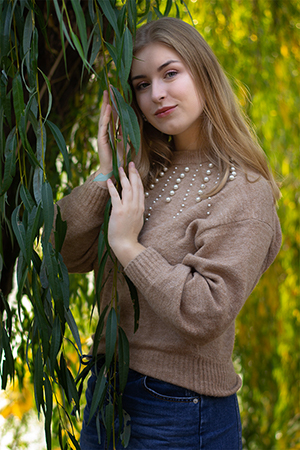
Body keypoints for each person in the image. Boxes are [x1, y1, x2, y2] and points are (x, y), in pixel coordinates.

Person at [56, 17, 281, 449]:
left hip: (178, 409)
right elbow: (65, 253)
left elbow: (206, 311)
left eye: (170, 73)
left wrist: (127, 246)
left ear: (203, 72)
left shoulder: (243, 191)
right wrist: (106, 174)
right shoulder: (142, 170)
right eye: (141, 84)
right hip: (106, 391)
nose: (156, 94)